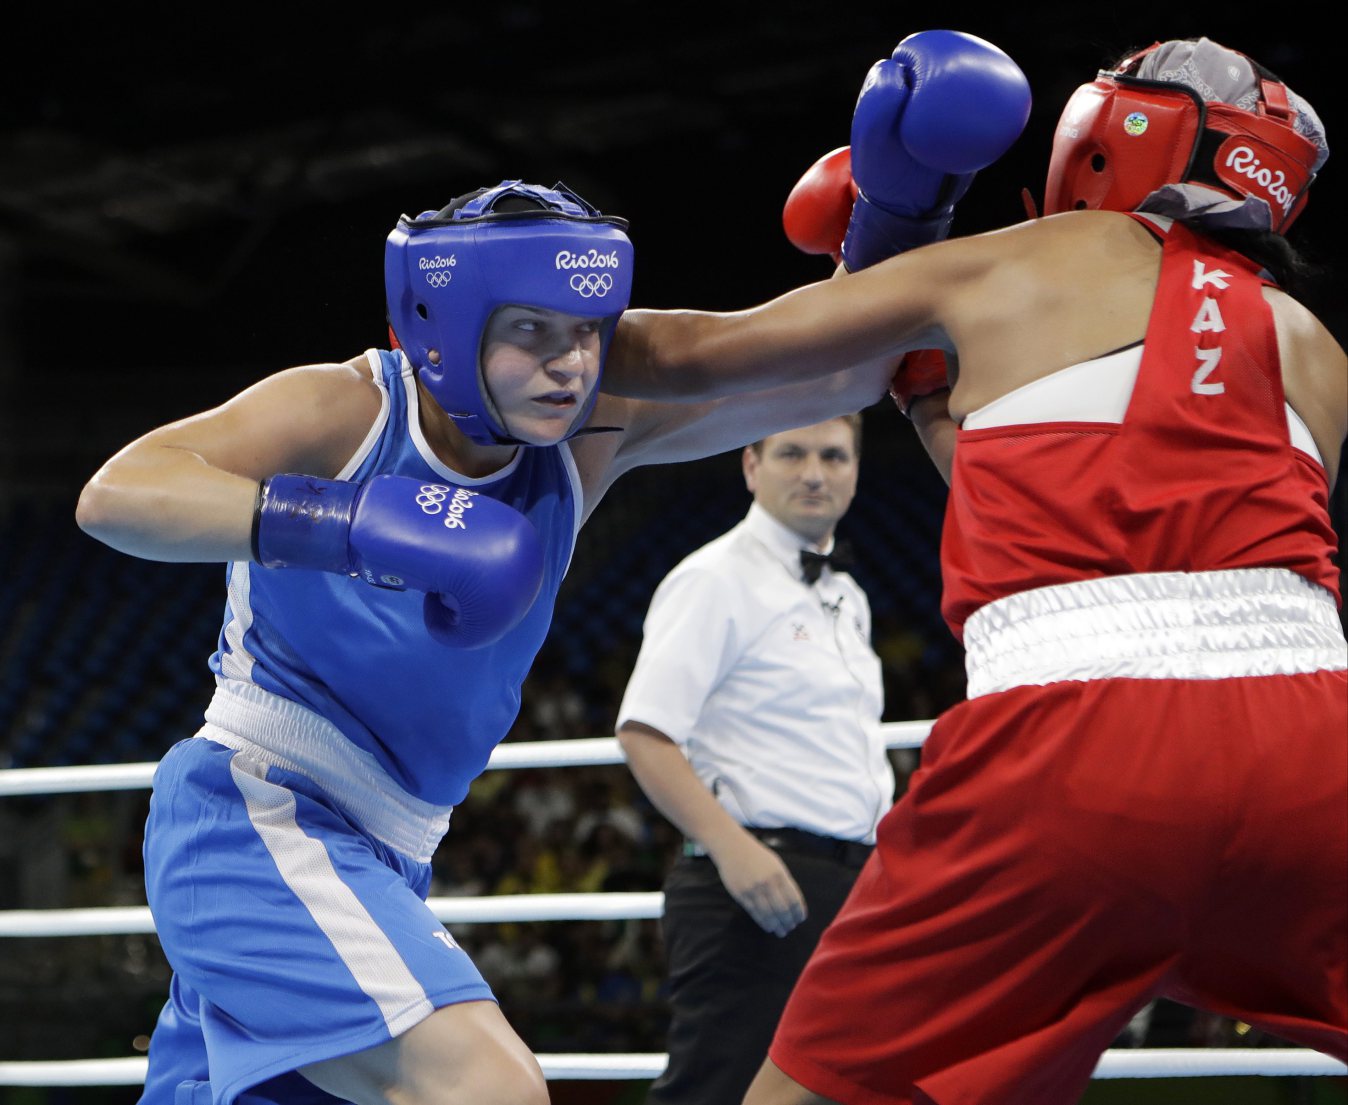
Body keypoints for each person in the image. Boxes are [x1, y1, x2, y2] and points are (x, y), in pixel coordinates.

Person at [602, 33, 1347, 1105]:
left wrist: (504, 321)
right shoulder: (1313, 346)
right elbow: (1048, 487)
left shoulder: (1029, 259)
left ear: (1105, 141)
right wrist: (918, 385)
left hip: (1076, 753)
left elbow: (689, 355)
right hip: (1311, 751)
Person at [70, 171, 913, 1105]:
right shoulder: (349, 411)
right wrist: (354, 522)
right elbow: (119, 494)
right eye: (531, 331)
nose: (569, 365)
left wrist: (896, 220)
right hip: (260, 816)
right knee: (489, 1088)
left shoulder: (586, 439)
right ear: (446, 323)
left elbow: (832, 375)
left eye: (588, 333)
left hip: (390, 847)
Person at [616, 413, 893, 1105]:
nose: (814, 472)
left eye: (833, 456)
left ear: (856, 469)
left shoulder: (846, 596)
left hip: (854, 884)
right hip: (753, 885)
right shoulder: (713, 577)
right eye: (792, 453)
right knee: (715, 1092)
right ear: (751, 465)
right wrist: (733, 849)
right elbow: (645, 731)